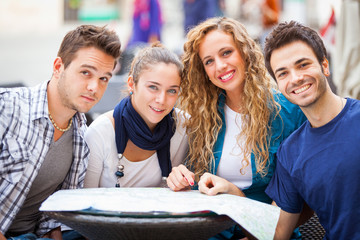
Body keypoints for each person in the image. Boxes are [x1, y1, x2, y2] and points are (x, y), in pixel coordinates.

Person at [166, 17, 306, 239]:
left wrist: (236, 195)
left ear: (245, 52)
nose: (220, 66)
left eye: (226, 53)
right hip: (211, 231)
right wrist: (183, 179)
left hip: (265, 233)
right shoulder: (204, 116)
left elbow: (299, 197)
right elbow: (198, 186)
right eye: (209, 61)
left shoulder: (288, 111)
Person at [0, 25, 121, 239]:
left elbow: (58, 213)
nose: (94, 86)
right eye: (86, 72)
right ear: (58, 66)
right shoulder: (7, 108)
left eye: (104, 78)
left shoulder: (82, 137)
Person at [263, 21, 360, 239]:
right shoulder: (290, 153)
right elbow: (278, 231)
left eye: (303, 64)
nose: (295, 78)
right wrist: (234, 193)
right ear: (278, 84)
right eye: (283, 73)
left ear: (325, 66)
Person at [84, 42, 188, 189]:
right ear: (131, 84)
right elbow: (85, 199)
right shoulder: (100, 133)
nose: (161, 100)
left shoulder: (184, 126)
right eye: (153, 87)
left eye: (172, 91)